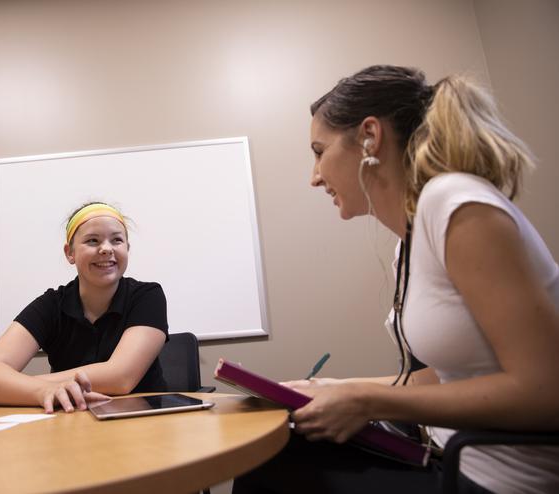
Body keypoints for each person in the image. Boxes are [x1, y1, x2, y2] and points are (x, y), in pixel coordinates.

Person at [233, 65, 559, 493]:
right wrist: (332, 389)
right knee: (275, 453)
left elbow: (545, 390)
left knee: (274, 474)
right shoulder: (409, 241)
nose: (314, 177)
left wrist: (367, 401)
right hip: (445, 456)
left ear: (370, 136)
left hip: (501, 482)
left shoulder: (455, 203)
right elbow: (443, 377)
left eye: (319, 151)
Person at [0, 202, 169, 414]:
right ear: (70, 253)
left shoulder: (148, 296)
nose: (106, 249)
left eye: (116, 240)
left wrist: (9, 388)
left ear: (127, 248)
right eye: (93, 241)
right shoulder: (51, 304)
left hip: (140, 421)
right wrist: (36, 391)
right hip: (71, 422)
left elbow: (121, 377)